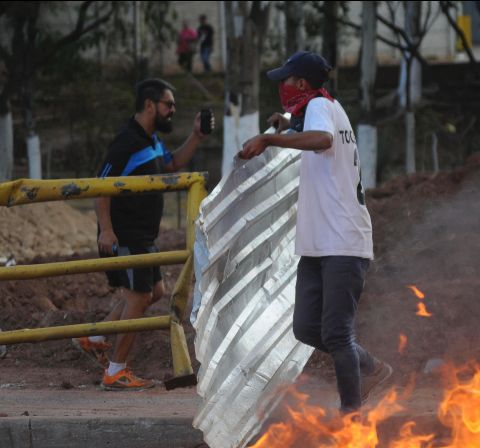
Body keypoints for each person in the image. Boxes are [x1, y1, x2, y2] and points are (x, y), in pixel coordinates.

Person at [239, 51, 392, 413]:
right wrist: (288, 123)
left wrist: (270, 139)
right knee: (307, 328)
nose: (282, 87)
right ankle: (372, 368)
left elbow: (322, 140)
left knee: (337, 333)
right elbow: (312, 128)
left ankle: (351, 416)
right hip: (320, 243)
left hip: (341, 241)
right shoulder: (325, 107)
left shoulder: (322, 110)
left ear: (302, 84)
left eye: (286, 81)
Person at [73, 78, 214, 390]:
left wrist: (196, 136)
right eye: (169, 105)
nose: (172, 110)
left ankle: (94, 336)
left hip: (144, 234)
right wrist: (106, 230)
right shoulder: (126, 142)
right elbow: (100, 186)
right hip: (126, 234)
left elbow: (172, 163)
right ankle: (115, 371)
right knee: (138, 298)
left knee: (156, 293)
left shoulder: (150, 140)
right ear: (150, 106)